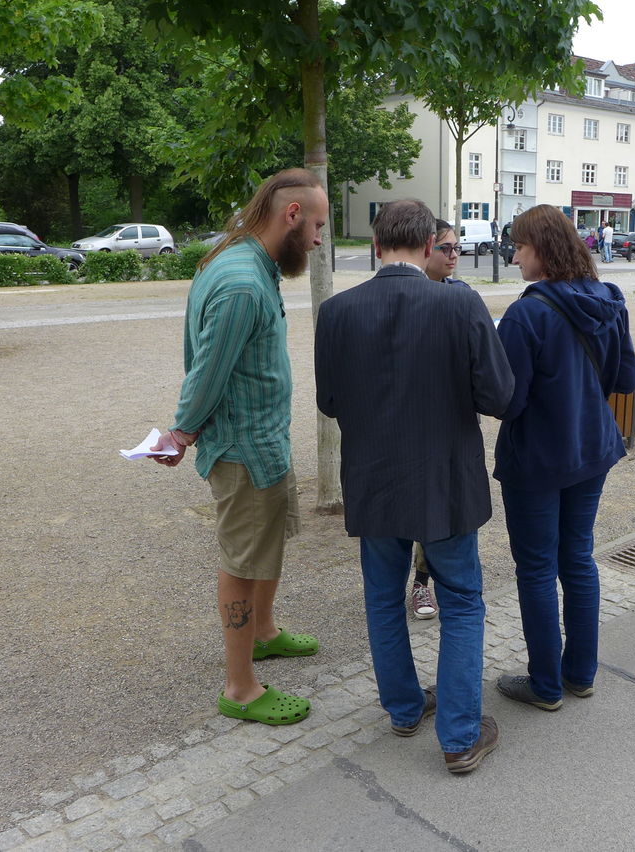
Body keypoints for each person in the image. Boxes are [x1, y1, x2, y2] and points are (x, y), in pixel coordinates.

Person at [315, 199, 513, 774]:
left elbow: (330, 401)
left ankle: (403, 708)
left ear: (376, 246)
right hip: (444, 481)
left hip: (373, 479)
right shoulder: (459, 303)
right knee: (462, 603)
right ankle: (460, 735)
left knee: (382, 599)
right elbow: (499, 396)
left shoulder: (337, 311)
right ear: (430, 246)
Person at [149, 168, 327, 726]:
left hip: (263, 441)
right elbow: (208, 370)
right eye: (318, 226)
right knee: (242, 563)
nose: (319, 240)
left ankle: (264, 632)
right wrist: (181, 433)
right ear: (291, 215)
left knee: (265, 545)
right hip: (244, 449)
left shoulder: (245, 259)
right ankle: (241, 687)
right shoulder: (242, 282)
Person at [494, 204, 635, 711]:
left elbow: (507, 401)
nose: (514, 258)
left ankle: (545, 685)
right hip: (592, 448)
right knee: (577, 558)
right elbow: (626, 380)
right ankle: (580, 674)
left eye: (519, 247)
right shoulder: (609, 298)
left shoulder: (526, 313)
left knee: (536, 568)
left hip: (536, 459)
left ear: (543, 248)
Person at [407, 218, 471, 620]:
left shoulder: (461, 294)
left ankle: (432, 579)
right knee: (420, 509)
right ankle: (420, 583)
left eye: (457, 248)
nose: (453, 256)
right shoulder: (405, 296)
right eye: (445, 248)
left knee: (447, 508)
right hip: (413, 420)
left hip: (452, 416)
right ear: (426, 247)